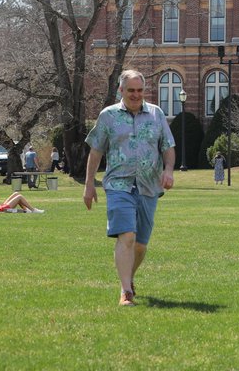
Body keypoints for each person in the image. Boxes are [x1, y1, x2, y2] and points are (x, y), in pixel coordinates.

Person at [84, 69, 175, 307]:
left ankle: (129, 277)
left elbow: (168, 146)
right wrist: (89, 185)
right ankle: (125, 291)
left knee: (141, 245)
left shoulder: (156, 114)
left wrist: (168, 170)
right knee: (127, 235)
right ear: (121, 91)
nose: (136, 95)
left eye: (140, 90)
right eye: (131, 90)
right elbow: (96, 151)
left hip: (148, 185)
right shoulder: (108, 116)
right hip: (118, 185)